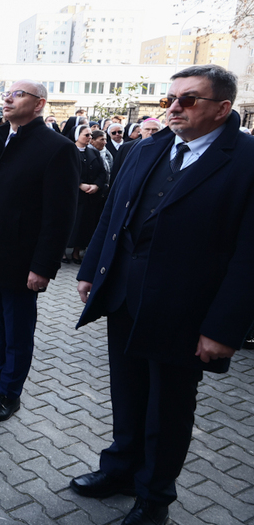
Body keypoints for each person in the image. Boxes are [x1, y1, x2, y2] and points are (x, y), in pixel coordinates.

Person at [70, 65, 254, 525]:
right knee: (127, 393)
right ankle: (120, 469)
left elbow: (250, 255)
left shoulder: (246, 159)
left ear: (222, 108)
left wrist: (224, 328)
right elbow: (113, 214)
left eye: (187, 99)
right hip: (124, 297)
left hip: (185, 311)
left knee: (168, 408)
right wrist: (92, 271)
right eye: (168, 99)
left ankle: (153, 497)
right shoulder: (147, 147)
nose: (173, 108)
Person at [0, 81, 79, 422]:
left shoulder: (57, 148)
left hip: (21, 260)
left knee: (17, 333)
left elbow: (59, 215)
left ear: (39, 104)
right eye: (7, 93)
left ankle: (10, 393)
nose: (7, 98)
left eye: (18, 94)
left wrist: (43, 266)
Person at [64, 125, 108, 264]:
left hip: (90, 196)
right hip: (73, 195)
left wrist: (96, 185)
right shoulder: (67, 151)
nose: (90, 137)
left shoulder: (94, 152)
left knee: (84, 225)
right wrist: (80, 184)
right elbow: (64, 172)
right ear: (77, 136)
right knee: (69, 224)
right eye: (86, 135)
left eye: (90, 135)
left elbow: (102, 172)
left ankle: (76, 252)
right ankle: (63, 252)